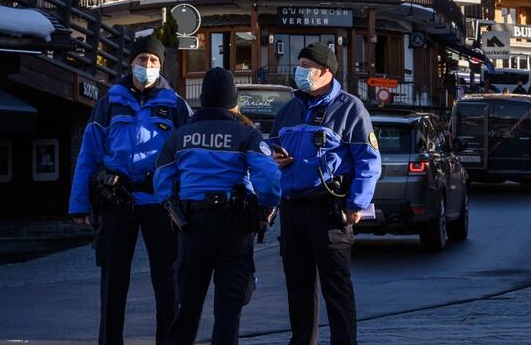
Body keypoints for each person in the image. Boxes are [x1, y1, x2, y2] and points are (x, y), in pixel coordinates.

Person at [68, 35, 191, 345]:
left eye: (153, 62)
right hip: (116, 199)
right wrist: (79, 204)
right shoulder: (109, 102)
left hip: (160, 201)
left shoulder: (176, 105)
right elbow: (88, 155)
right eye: (141, 60)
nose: (147, 66)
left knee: (167, 280)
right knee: (113, 281)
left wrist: (188, 199)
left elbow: (188, 157)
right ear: (130, 62)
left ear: (160, 66)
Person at [155, 67, 281, 345]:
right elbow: (269, 176)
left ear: (202, 98)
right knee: (228, 310)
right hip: (235, 226)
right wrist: (266, 208)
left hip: (192, 226)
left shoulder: (180, 135)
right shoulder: (246, 133)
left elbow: (162, 180)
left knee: (187, 309)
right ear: (233, 99)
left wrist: (174, 208)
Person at [270, 42, 381, 345]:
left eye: (306, 65)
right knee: (298, 287)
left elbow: (369, 160)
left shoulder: (349, 107)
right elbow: (271, 148)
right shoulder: (290, 109)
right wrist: (274, 158)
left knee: (336, 286)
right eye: (300, 64)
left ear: (325, 72)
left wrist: (357, 203)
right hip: (293, 208)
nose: (300, 71)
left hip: (330, 209)